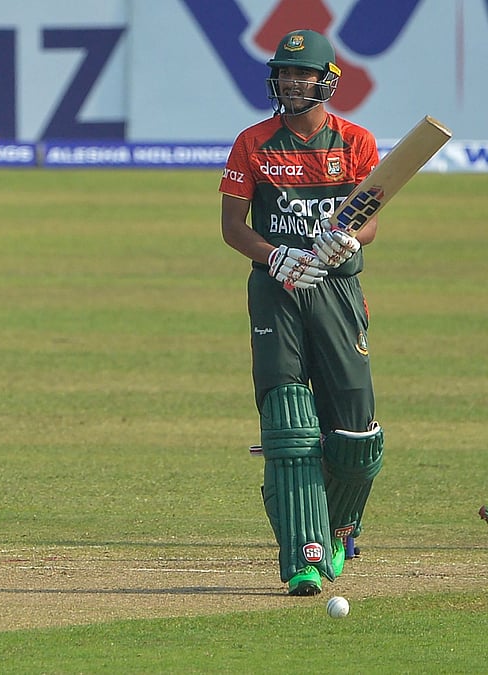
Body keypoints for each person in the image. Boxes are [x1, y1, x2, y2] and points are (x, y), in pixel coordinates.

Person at [219, 29, 384, 596]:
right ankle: (303, 555)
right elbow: (232, 227)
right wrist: (276, 256)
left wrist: (351, 241)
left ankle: (340, 526)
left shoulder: (357, 142)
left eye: (301, 74)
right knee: (289, 422)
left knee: (356, 429)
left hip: (336, 290)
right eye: (284, 73)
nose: (290, 83)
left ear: (326, 80)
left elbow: (369, 217)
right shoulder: (253, 142)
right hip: (277, 289)